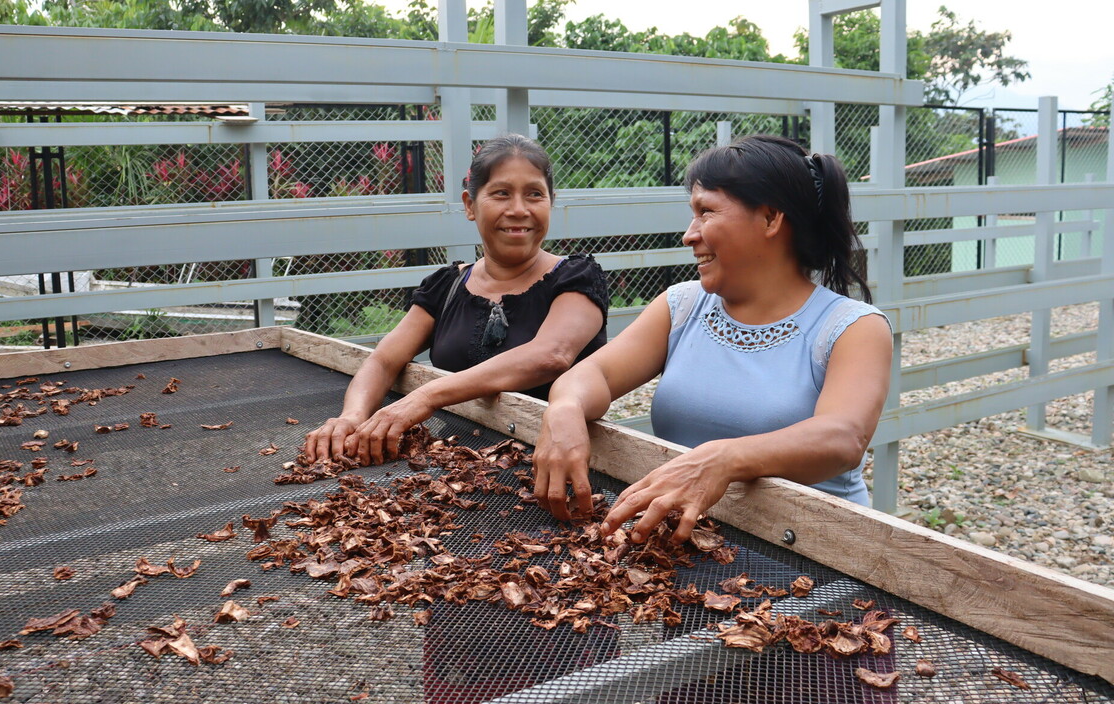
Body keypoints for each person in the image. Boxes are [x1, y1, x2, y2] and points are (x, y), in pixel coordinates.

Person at [532, 134, 893, 544]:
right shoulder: (682, 305)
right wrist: (564, 406)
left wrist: (721, 459)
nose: (689, 235)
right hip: (685, 549)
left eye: (706, 212)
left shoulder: (853, 326)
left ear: (771, 218)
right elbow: (596, 373)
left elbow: (842, 437)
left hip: (814, 557)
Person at [306, 134, 609, 466]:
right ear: (469, 205)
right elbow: (383, 361)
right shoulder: (446, 286)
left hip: (553, 473)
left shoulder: (576, 278)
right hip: (455, 471)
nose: (519, 209)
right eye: (501, 193)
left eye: (535, 194)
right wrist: (353, 415)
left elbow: (551, 355)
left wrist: (426, 397)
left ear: (550, 202)